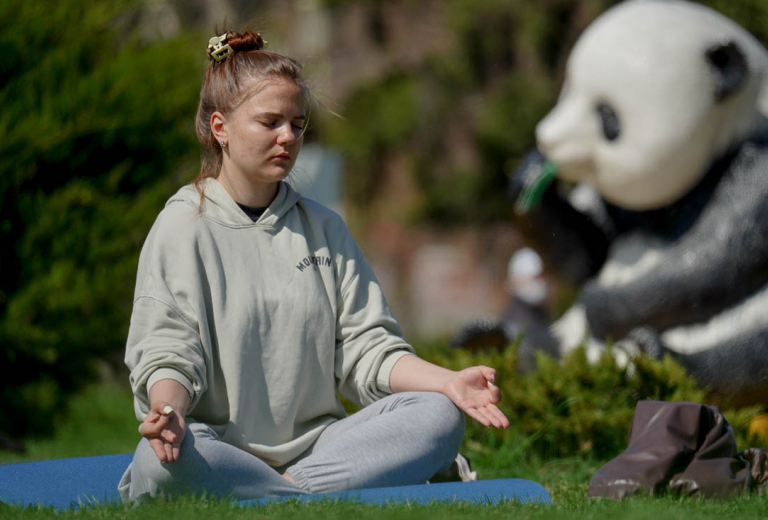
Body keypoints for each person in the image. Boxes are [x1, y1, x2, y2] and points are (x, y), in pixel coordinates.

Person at [118, 30, 509, 502]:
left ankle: (277, 493)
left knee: (439, 415)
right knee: (157, 465)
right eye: (270, 122)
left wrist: (448, 382)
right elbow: (168, 348)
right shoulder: (182, 226)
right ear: (220, 128)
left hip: (322, 450)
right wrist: (169, 411)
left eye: (298, 125)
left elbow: (369, 348)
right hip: (216, 448)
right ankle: (302, 493)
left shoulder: (323, 227)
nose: (288, 137)